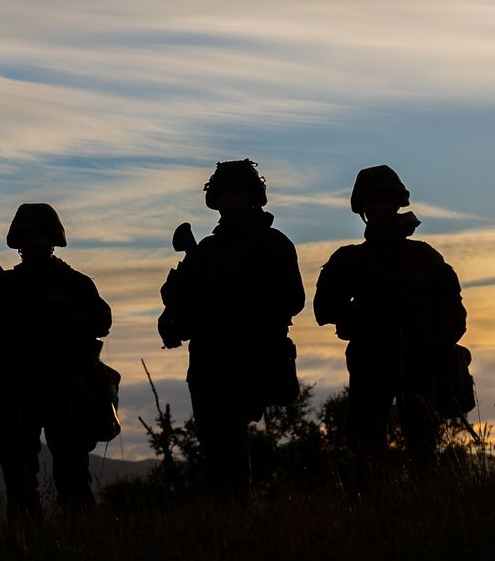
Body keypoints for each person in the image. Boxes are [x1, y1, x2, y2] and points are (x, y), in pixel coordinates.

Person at [158, 158, 304, 497]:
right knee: (217, 446)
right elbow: (181, 308)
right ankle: (230, 514)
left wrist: (242, 302)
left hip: (255, 354)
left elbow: (293, 299)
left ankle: (241, 512)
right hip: (211, 360)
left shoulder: (274, 244)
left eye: (238, 193)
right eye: (225, 194)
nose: (231, 200)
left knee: (233, 442)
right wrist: (175, 312)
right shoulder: (205, 252)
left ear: (252, 197)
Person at [0, 203, 113, 519]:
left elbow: (101, 321)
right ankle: (26, 539)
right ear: (17, 242)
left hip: (65, 384)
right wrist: (9, 327)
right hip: (15, 385)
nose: (33, 243)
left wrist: (60, 320)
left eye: (40, 237)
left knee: (72, 473)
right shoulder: (0, 288)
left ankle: (80, 539)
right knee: (18, 475)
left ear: (52, 240)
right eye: (27, 237)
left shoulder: (75, 284)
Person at [313, 165, 467, 466]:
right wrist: (367, 317)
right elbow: (324, 308)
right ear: (364, 209)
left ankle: (424, 504)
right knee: (367, 448)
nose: (380, 207)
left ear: (397, 204)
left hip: (420, 363)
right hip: (370, 362)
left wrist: (435, 344)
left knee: (423, 447)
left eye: (386, 200)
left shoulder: (424, 257)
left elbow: (454, 313)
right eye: (373, 202)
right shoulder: (349, 260)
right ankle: (374, 505)